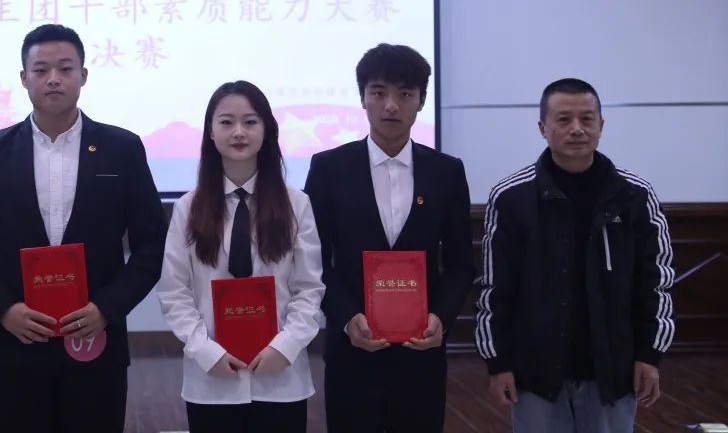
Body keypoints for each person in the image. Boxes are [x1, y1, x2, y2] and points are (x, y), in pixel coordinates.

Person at [0, 24, 167, 433]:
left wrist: (107, 308)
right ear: (23, 78)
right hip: (17, 343)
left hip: (96, 340)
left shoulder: (121, 148)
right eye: (41, 69)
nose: (53, 79)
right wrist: (3, 310)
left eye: (65, 69)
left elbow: (153, 243)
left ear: (83, 75)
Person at [475, 78, 675, 433]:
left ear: (602, 125)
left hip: (614, 372)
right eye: (564, 119)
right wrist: (498, 363)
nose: (577, 129)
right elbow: (494, 290)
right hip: (534, 374)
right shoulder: (511, 198)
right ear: (543, 128)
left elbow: (656, 284)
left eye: (587, 118)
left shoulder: (635, 195)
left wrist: (649, 355)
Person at [305, 43, 474, 433]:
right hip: (352, 349)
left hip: (421, 350)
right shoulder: (329, 168)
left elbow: (461, 263)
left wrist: (440, 318)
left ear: (421, 101)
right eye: (379, 93)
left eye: (405, 94)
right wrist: (346, 318)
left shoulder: (446, 172)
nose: (391, 105)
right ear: (362, 98)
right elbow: (314, 260)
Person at [157, 81, 324, 433]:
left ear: (267, 129)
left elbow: (309, 288)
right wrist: (206, 352)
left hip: (281, 376)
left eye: (250, 122)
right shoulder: (188, 208)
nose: (238, 132)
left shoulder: (296, 204)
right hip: (212, 379)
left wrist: (285, 347)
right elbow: (174, 292)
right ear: (210, 132)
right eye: (226, 122)